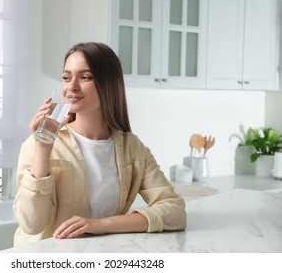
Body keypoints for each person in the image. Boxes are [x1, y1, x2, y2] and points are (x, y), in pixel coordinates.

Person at [13, 42, 186, 247]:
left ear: (108, 84)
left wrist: (100, 225)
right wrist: (43, 147)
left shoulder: (131, 148)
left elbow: (175, 211)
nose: (72, 87)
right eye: (66, 77)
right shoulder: (35, 146)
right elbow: (31, 225)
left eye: (85, 77)